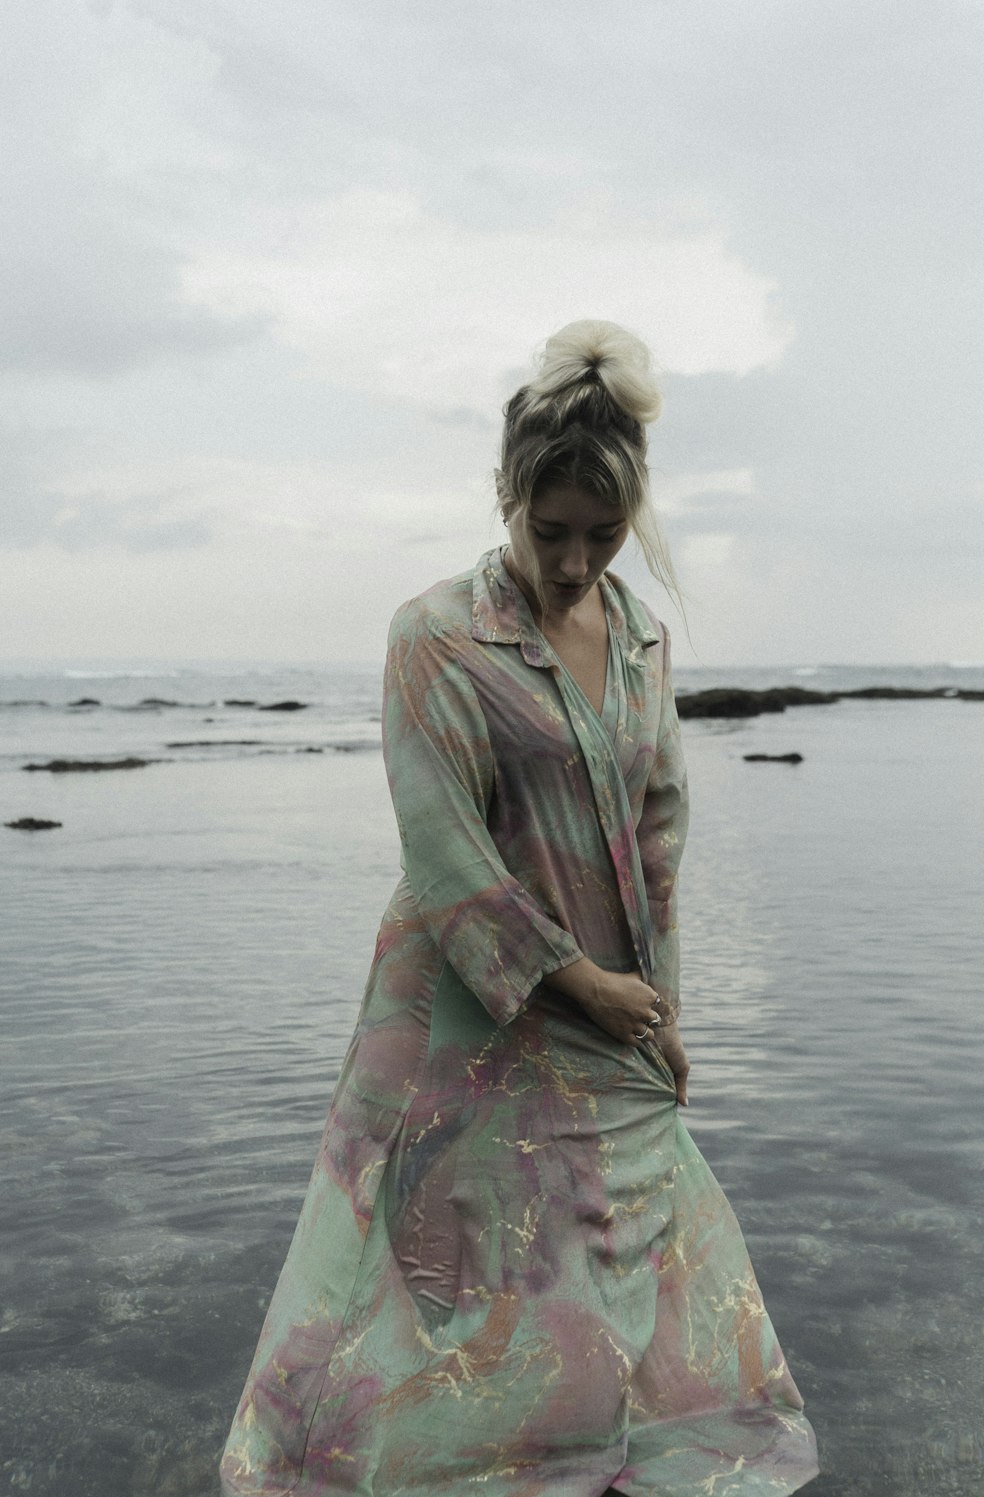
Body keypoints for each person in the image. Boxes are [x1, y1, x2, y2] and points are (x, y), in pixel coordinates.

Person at [220, 321, 819, 1496]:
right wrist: (579, 983)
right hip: (464, 996)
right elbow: (438, 848)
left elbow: (658, 841)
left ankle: (585, 1448)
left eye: (602, 535)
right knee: (437, 1258)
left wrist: (664, 1012)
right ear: (504, 494)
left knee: (627, 1227)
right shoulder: (435, 634)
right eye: (549, 532)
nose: (573, 562)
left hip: (604, 998)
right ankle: (407, 1464)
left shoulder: (642, 637)